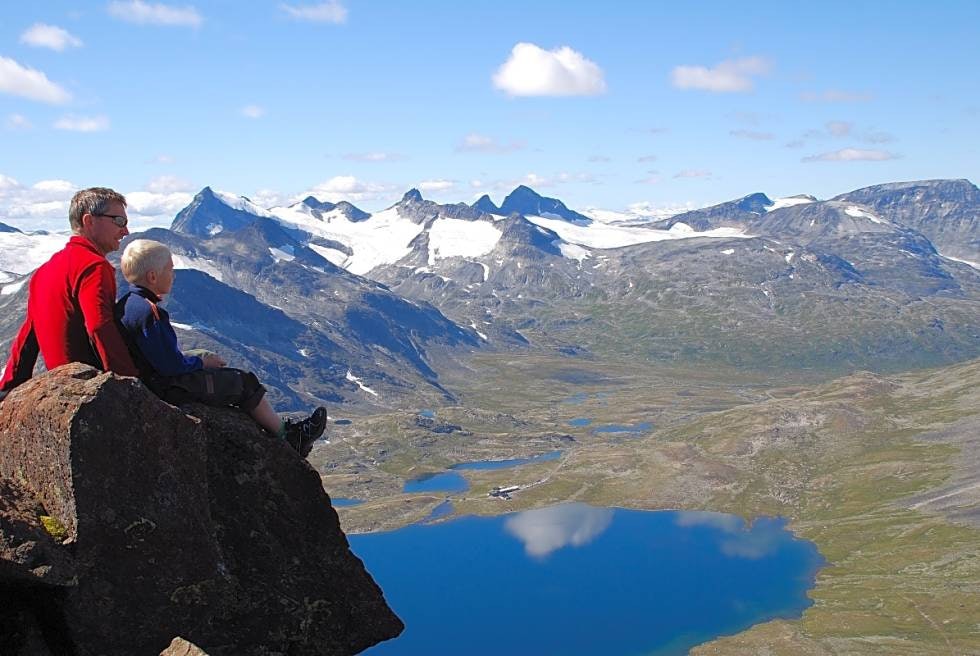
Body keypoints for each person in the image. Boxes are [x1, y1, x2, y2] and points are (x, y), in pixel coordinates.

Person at [114, 238, 326, 457]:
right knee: (243, 382)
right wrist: (201, 362)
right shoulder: (150, 312)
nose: (173, 275)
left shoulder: (128, 304)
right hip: (167, 386)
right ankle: (291, 437)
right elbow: (171, 366)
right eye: (170, 269)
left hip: (153, 380)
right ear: (152, 276)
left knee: (211, 364)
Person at [0, 187, 138, 401]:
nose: (125, 231)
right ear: (89, 221)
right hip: (91, 389)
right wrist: (129, 382)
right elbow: (99, 326)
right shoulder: (93, 266)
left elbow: (29, 333)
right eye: (119, 221)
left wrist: (8, 388)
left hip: (61, 388)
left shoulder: (45, 270)